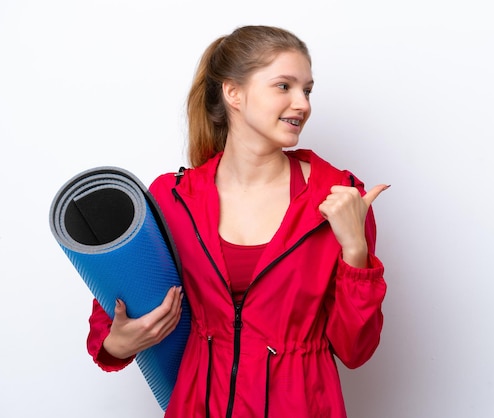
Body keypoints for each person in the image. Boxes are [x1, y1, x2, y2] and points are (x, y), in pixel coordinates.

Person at [86, 25, 388, 418]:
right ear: (234, 93)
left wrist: (355, 250)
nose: (303, 104)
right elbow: (111, 315)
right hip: (197, 406)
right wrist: (117, 344)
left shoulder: (340, 199)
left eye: (307, 90)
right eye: (284, 86)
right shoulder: (171, 198)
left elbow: (355, 350)